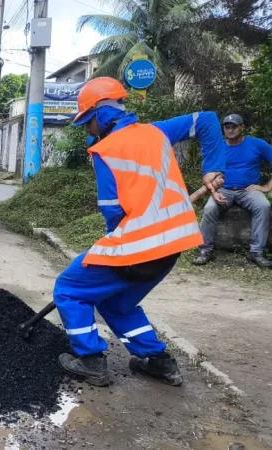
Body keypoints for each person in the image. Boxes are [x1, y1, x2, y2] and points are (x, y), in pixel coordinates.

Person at [53, 77, 226, 387]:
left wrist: (110, 247)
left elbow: (112, 211)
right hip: (174, 242)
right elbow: (207, 120)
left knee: (69, 289)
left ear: (101, 113)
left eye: (88, 121)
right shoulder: (156, 132)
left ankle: (90, 361)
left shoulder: (105, 150)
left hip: (137, 247)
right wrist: (213, 167)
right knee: (116, 304)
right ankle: (159, 361)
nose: (88, 129)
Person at [192, 113, 272, 268]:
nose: (230, 130)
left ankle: (256, 252)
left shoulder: (257, 144)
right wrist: (214, 192)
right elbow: (209, 175)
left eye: (234, 126)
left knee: (263, 206)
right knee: (209, 208)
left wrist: (267, 187)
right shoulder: (218, 148)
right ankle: (205, 250)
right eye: (227, 127)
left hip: (249, 190)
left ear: (242, 127)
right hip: (223, 189)